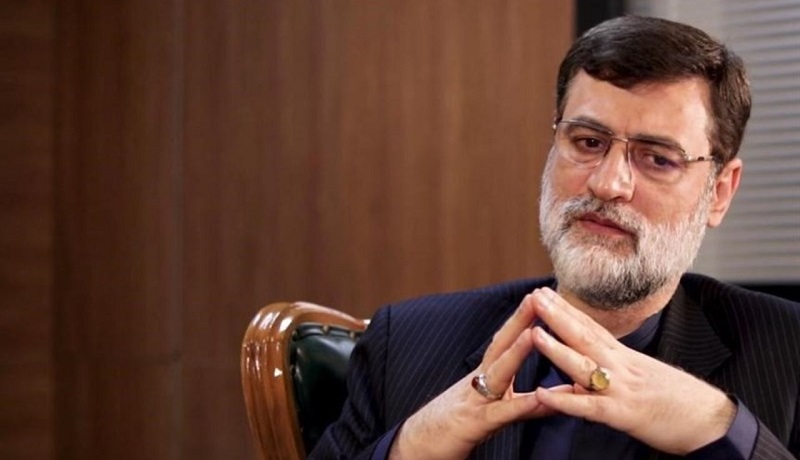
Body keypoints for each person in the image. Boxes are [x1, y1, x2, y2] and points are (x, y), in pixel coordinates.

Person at [310, 15, 800, 460]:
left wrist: (716, 425)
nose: (607, 184)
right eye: (588, 142)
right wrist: (412, 447)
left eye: (657, 159)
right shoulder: (404, 343)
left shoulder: (788, 353)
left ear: (719, 192)